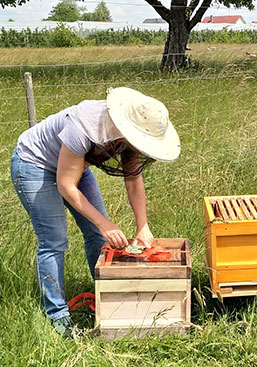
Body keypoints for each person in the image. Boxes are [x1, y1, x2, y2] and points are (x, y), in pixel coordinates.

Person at [10, 87, 180, 336]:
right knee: (55, 240)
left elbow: (133, 181)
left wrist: (142, 225)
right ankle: (58, 316)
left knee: (97, 236)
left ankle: (105, 294)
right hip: (35, 164)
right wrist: (104, 222)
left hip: (74, 164)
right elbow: (66, 185)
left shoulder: (130, 139)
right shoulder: (84, 126)